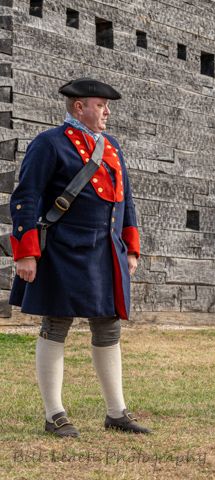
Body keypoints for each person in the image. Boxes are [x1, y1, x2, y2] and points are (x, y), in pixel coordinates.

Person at [9, 78, 150, 437]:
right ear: (79, 107)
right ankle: (54, 413)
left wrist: (130, 246)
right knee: (56, 325)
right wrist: (26, 253)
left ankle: (116, 411)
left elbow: (125, 200)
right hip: (62, 249)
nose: (107, 111)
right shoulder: (49, 143)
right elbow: (26, 196)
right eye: (101, 105)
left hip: (105, 252)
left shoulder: (112, 146)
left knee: (108, 324)